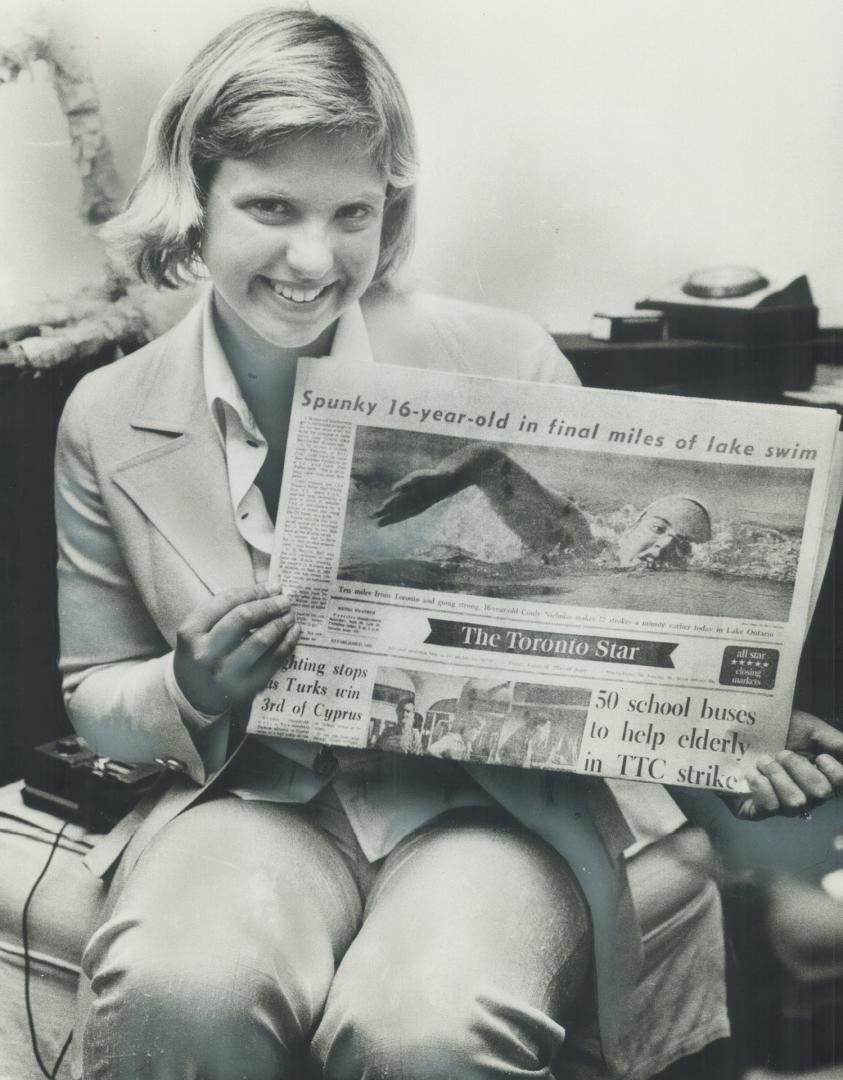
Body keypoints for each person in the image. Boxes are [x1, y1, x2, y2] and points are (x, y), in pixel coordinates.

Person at [53, 8, 843, 1080]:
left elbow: (611, 632)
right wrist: (187, 685)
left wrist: (731, 723)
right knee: (180, 987)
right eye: (271, 207)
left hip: (493, 809)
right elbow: (95, 689)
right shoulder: (108, 414)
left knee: (427, 1027)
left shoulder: (500, 358)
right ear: (196, 202)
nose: (312, 256)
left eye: (354, 213)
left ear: (393, 210)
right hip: (251, 798)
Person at [374, 442, 712, 568]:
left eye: (683, 547)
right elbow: (488, 462)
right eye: (658, 528)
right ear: (634, 524)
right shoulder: (580, 541)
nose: (663, 546)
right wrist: (443, 479)